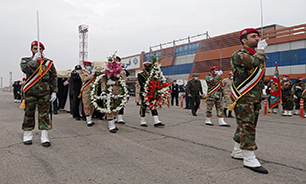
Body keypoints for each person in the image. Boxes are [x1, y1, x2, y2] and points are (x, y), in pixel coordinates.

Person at [230, 28, 268, 174]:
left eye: (258, 36)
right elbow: (253, 63)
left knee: (248, 124)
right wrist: (261, 51)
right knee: (247, 125)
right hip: (243, 97)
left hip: (255, 96)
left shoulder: (256, 54)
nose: (257, 38)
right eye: (253, 36)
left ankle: (237, 151)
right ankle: (249, 158)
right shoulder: (239, 54)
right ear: (244, 40)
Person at [20, 40, 57, 147]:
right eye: (35, 48)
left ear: (43, 50)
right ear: (31, 49)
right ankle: (27, 135)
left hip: (45, 92)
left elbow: (53, 78)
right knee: (29, 113)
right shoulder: (25, 60)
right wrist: (35, 60)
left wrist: (54, 92)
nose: (38, 50)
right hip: (30, 91)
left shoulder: (48, 62)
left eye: (40, 49)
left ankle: (44, 137)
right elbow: (26, 70)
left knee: (44, 114)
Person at [138, 60, 165, 127]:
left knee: (153, 106)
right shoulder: (141, 74)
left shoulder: (153, 74)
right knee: (143, 107)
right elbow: (142, 84)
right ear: (145, 67)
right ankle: (143, 121)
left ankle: (156, 121)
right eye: (147, 66)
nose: (148, 68)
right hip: (145, 92)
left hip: (153, 92)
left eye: (150, 66)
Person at [79, 61, 96, 126]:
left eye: (90, 65)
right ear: (85, 66)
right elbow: (84, 79)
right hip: (86, 91)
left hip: (93, 91)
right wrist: (92, 75)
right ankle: (88, 120)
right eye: (87, 65)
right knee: (87, 105)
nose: (89, 66)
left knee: (92, 105)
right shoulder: (82, 72)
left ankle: (90, 118)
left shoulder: (93, 72)